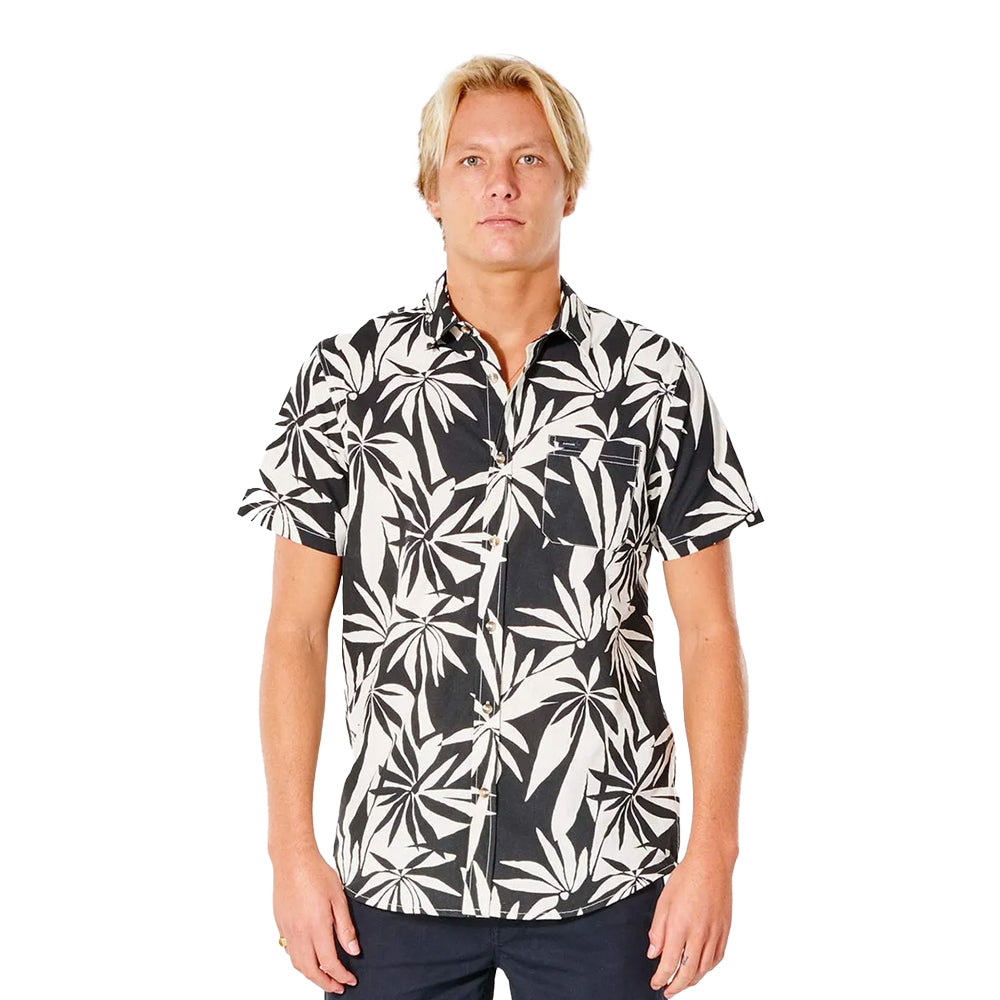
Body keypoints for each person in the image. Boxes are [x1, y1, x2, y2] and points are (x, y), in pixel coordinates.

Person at [236, 54, 764, 1000]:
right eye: (472, 161)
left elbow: (711, 634)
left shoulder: (654, 382)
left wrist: (714, 855)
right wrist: (290, 853)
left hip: (607, 872)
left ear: (572, 184)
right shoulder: (345, 380)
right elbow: (295, 633)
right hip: (396, 875)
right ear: (431, 191)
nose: (502, 185)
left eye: (530, 159)